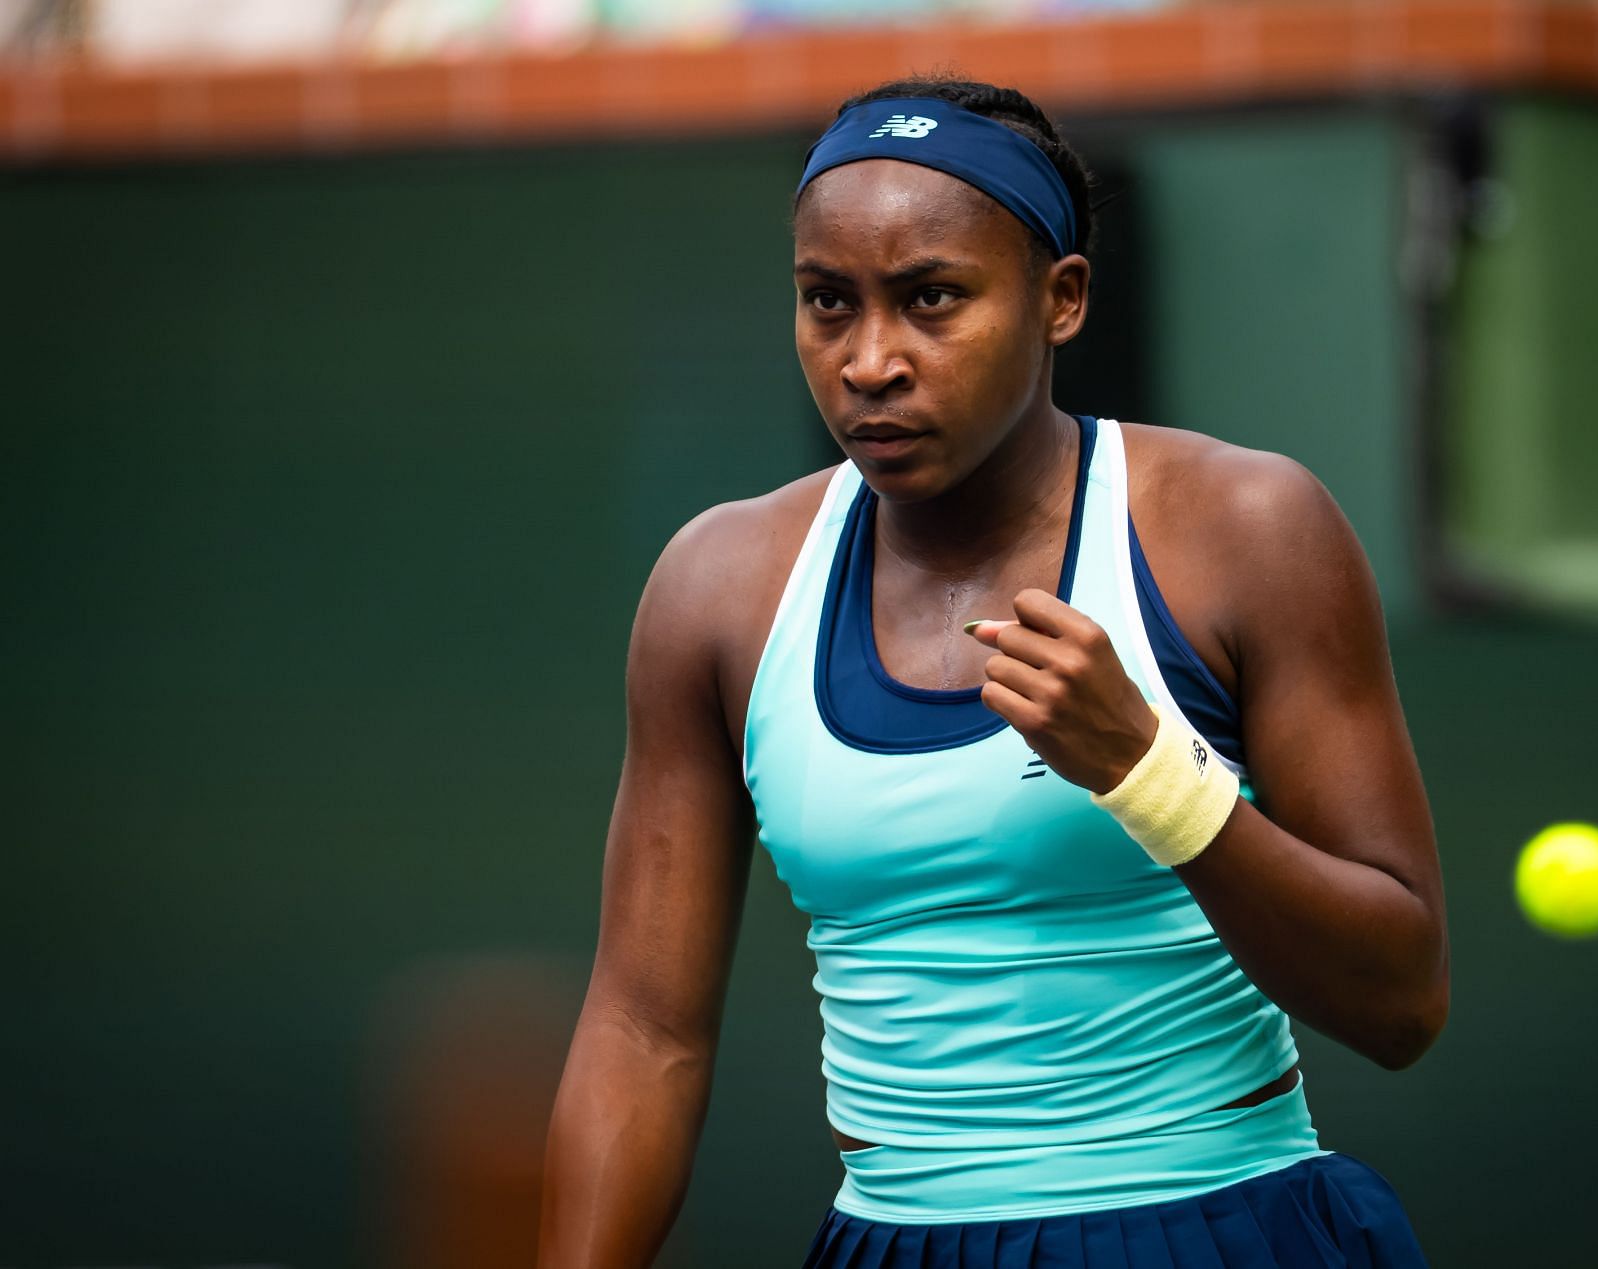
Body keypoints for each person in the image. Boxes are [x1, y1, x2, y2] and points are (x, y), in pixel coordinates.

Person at [538, 75, 1448, 1268]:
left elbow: (1401, 1003)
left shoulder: (1246, 526)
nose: (871, 360)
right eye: (827, 303)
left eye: (931, 300)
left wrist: (1152, 777)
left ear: (1060, 299)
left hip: (1224, 1229)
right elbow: (643, 1032)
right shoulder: (717, 587)